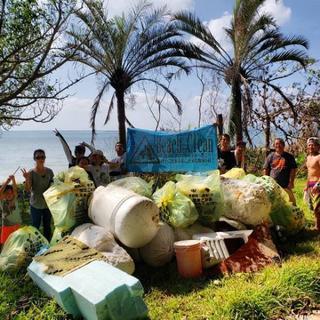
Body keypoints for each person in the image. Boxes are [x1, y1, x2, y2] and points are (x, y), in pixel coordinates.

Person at [21, 149, 54, 240]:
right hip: (36, 204)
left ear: (45, 158)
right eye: (38, 157)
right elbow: (28, 190)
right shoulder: (31, 173)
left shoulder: (50, 172)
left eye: (42, 157)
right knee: (36, 227)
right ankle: (36, 245)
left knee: (47, 226)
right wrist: (27, 179)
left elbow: (53, 186)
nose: (40, 159)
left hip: (47, 204)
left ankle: (48, 246)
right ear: (34, 159)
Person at [263, 138, 297, 205]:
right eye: (276, 144)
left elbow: (293, 170)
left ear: (283, 145)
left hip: (285, 185)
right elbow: (266, 169)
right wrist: (265, 181)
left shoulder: (289, 157)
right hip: (273, 186)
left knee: (291, 204)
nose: (278, 145)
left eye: (280, 144)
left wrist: (291, 182)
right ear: (274, 145)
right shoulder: (270, 156)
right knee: (274, 204)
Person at [0, 175, 22, 244]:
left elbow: (15, 189)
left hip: (17, 225)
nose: (9, 194)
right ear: (3, 194)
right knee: (6, 244)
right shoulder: (2, 201)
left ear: (13, 194)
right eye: (6, 193)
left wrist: (13, 179)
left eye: (10, 193)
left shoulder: (14, 199)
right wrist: (6, 182)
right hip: (6, 226)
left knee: (17, 243)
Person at [305, 137, 320, 231]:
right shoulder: (308, 157)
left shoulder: (319, 157)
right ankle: (317, 225)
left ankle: (318, 227)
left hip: (317, 185)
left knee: (318, 208)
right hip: (310, 185)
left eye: (313, 145)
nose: (311, 147)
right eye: (309, 145)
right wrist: (306, 187)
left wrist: (318, 185)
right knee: (312, 207)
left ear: (318, 146)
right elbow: (309, 173)